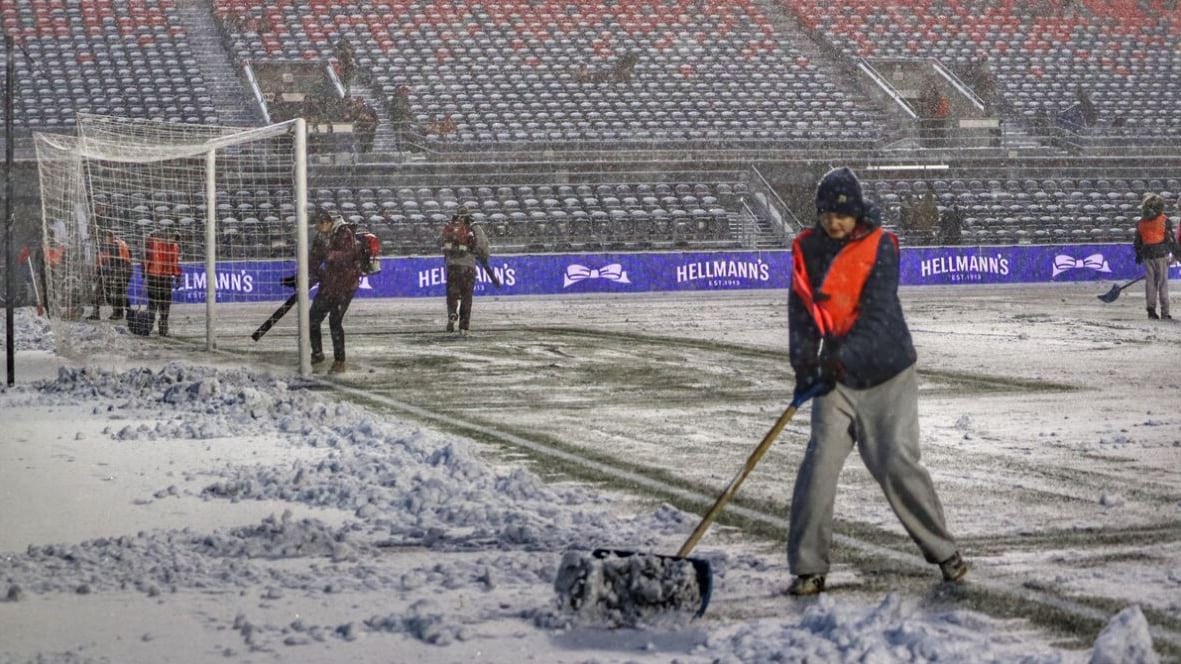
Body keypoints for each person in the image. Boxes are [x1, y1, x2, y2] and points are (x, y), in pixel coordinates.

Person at [786, 167, 965, 596]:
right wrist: (805, 365)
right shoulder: (808, 250)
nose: (835, 223)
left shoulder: (881, 246)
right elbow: (801, 311)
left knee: (896, 463)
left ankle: (944, 551)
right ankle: (809, 566)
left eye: (843, 215)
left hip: (889, 373)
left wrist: (838, 359)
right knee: (819, 466)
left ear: (858, 214)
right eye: (828, 213)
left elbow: (879, 314)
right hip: (838, 381)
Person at [308, 209, 362, 372]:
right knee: (312, 318)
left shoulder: (344, 233)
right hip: (328, 285)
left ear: (325, 222)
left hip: (345, 286)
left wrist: (329, 255)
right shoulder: (320, 237)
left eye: (318, 225)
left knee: (335, 321)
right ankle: (317, 353)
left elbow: (347, 256)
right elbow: (314, 260)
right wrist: (309, 276)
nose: (316, 229)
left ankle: (340, 361)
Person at [441, 205, 490, 334]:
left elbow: (441, 241)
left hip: (453, 266)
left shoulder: (451, 225)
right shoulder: (474, 227)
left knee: (452, 294)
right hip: (468, 266)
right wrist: (480, 255)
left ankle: (452, 313)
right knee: (466, 296)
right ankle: (463, 325)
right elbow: (483, 245)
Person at [1133, 193, 1176, 320]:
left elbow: (1137, 241)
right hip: (1161, 255)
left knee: (1150, 283)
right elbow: (1170, 240)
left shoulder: (1140, 223)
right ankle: (1165, 312)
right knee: (1163, 283)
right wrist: (1176, 254)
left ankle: (1151, 310)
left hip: (1147, 255)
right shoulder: (1164, 221)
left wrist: (1139, 254)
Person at [87, 228, 132, 321]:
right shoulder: (107, 245)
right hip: (111, 272)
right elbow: (101, 260)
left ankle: (122, 312)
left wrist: (106, 273)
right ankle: (101, 312)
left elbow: (117, 261)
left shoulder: (116, 244)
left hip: (120, 272)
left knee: (118, 293)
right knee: (102, 292)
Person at [143, 228, 182, 336]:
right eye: (173, 238)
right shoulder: (154, 244)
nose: (173, 241)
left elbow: (175, 262)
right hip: (154, 276)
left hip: (165, 277)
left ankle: (162, 326)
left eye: (175, 239)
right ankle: (149, 325)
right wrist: (145, 273)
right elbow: (147, 259)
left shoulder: (174, 247)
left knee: (164, 304)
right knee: (154, 303)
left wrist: (177, 275)